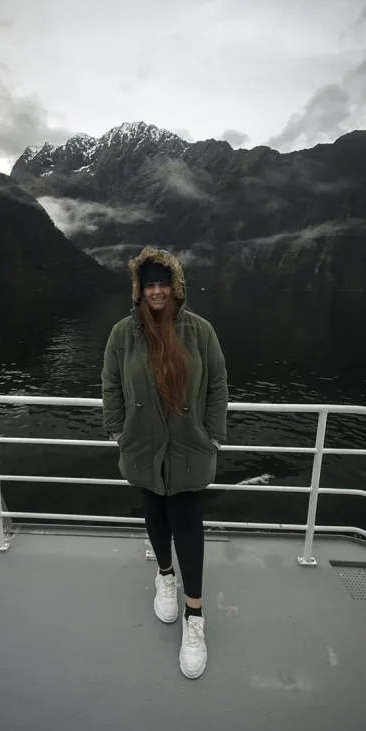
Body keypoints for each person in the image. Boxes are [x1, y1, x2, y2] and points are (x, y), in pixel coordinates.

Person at [101, 246, 228, 679]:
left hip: (189, 446)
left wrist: (212, 434)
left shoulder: (200, 332)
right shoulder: (123, 334)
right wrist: (117, 429)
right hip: (143, 444)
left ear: (176, 287)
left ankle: (195, 616)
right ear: (139, 290)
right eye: (149, 284)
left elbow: (217, 384)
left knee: (188, 524)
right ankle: (164, 575)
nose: (157, 291)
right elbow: (112, 382)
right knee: (154, 512)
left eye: (163, 283)